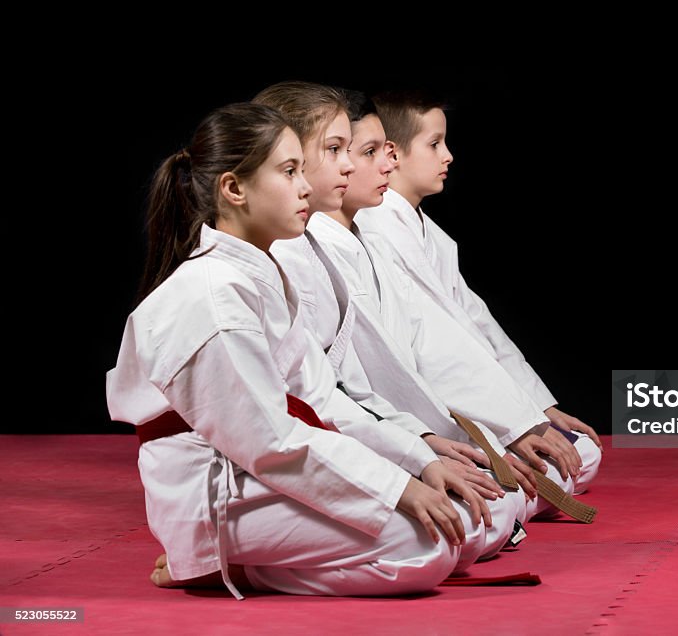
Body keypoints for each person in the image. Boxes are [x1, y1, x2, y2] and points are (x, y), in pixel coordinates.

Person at [106, 103, 491, 599]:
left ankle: (258, 559)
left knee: (472, 521)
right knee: (427, 546)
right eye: (289, 172)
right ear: (234, 189)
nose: (306, 186)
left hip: (264, 471)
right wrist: (395, 488)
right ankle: (225, 566)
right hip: (219, 492)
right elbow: (272, 442)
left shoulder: (260, 276)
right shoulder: (212, 296)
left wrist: (417, 461)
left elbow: (321, 402)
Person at [252, 82, 528, 544]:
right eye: (338, 150)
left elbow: (347, 386)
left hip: (345, 437)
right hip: (270, 469)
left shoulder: (319, 249)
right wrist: (406, 468)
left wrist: (422, 445)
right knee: (460, 527)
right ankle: (224, 555)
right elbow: (287, 418)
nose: (358, 165)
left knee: (490, 505)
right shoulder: (260, 267)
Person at [300, 87, 591, 520]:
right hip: (363, 437)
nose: (387, 163)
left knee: (568, 457)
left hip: (412, 422)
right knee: (483, 513)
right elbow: (355, 385)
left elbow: (463, 330)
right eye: (345, 150)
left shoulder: (373, 238)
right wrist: (430, 448)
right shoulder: (331, 242)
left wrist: (527, 413)